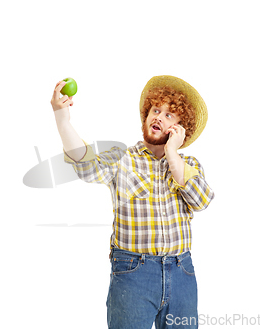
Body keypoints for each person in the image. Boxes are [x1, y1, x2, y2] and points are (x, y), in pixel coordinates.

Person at [50, 75, 215, 329]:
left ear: (182, 129)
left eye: (170, 115)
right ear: (146, 117)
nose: (159, 116)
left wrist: (172, 154)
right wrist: (63, 119)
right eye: (156, 110)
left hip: (182, 272)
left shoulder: (188, 165)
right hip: (133, 272)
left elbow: (201, 200)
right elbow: (86, 165)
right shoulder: (122, 159)